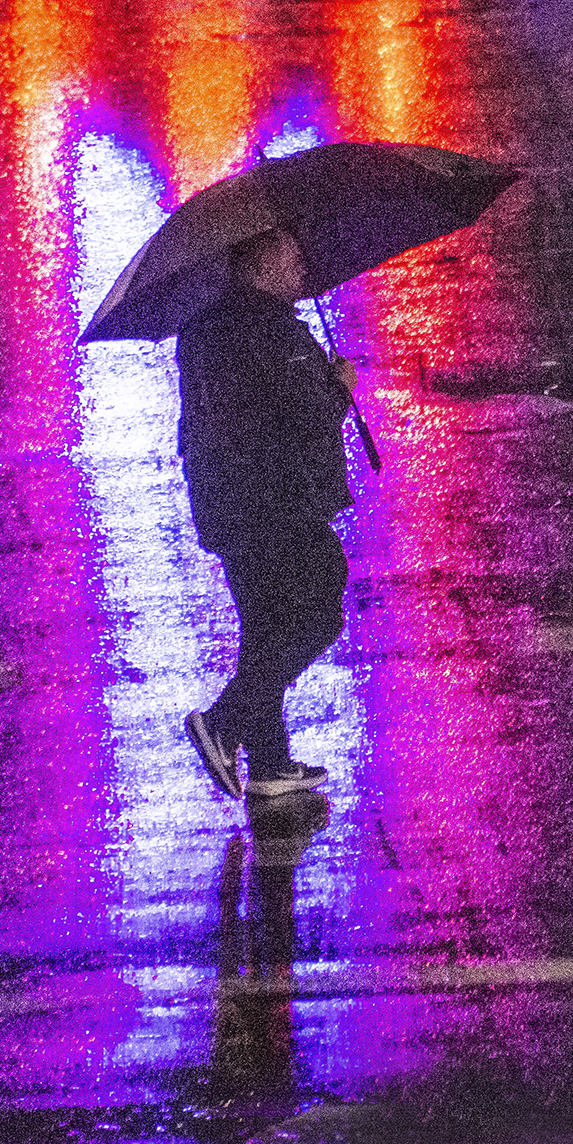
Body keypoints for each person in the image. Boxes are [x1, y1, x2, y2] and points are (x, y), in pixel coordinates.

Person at [179, 228, 358, 799]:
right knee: (319, 608)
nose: (301, 263)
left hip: (226, 499)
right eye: (289, 254)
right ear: (261, 264)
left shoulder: (204, 326)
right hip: (277, 500)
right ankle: (224, 722)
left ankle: (270, 764)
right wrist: (339, 387)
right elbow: (305, 417)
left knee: (265, 628)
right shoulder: (272, 332)